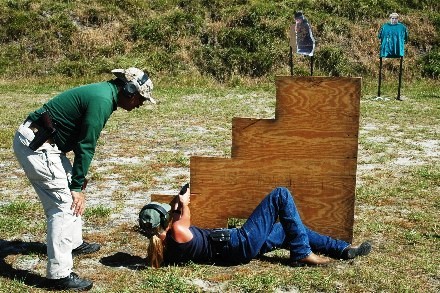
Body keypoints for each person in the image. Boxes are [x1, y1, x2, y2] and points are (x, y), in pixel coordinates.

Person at [13, 67, 155, 291]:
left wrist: (77, 180)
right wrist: (76, 186)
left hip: (44, 143)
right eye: (141, 99)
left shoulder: (104, 95)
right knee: (63, 205)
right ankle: (58, 276)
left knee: (71, 188)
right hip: (37, 147)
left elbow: (80, 141)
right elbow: (86, 145)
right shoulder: (101, 101)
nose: (140, 104)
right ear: (129, 90)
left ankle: (74, 243)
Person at [139, 186, 371, 268]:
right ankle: (302, 254)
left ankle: (342, 250)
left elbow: (179, 214)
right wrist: (182, 198)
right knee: (280, 195)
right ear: (165, 220)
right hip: (239, 242)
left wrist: (177, 208)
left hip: (235, 251)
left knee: (286, 229)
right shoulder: (178, 231)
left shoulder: (161, 247)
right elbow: (184, 206)